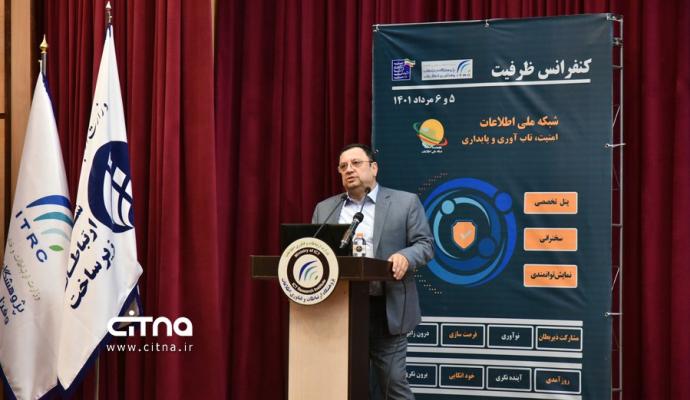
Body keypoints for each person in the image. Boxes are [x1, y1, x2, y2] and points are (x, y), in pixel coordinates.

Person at [312, 143, 434, 400]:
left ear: (374, 168)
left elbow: (425, 245)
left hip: (386, 309)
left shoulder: (405, 202)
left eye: (356, 163)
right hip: (340, 311)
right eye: (343, 166)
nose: (349, 170)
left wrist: (405, 256)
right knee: (343, 386)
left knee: (393, 384)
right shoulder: (326, 209)